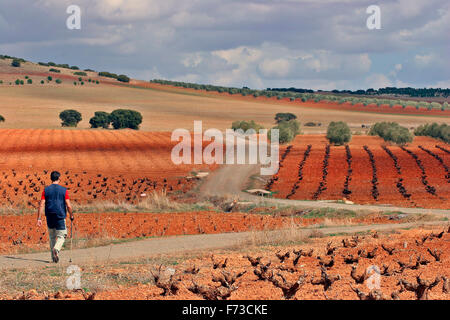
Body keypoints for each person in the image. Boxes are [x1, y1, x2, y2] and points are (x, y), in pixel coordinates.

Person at [37, 171, 74, 263]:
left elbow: (41, 204)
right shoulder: (64, 190)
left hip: (49, 216)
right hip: (60, 216)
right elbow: (68, 205)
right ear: (59, 178)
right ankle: (56, 249)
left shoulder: (45, 190)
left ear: (51, 178)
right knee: (62, 236)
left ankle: (54, 259)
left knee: (52, 237)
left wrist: (39, 218)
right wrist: (71, 215)